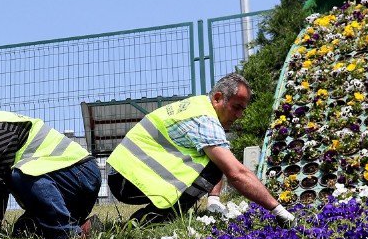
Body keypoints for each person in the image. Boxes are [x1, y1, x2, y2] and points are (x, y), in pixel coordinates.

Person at [106, 73, 294, 226]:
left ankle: (149, 219)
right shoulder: (205, 120)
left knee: (215, 158)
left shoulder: (198, 106)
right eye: (236, 107)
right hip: (126, 179)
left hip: (124, 173)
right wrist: (278, 210)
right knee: (216, 165)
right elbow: (236, 173)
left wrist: (213, 200)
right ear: (218, 98)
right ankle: (150, 221)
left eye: (243, 110)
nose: (239, 115)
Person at [0, 106, 102, 239]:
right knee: (22, 230)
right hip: (70, 183)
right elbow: (0, 185)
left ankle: (68, 234)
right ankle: (87, 228)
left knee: (21, 174)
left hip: (80, 174)